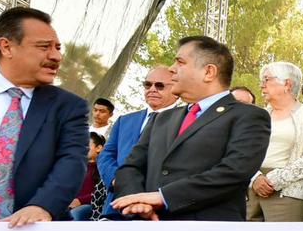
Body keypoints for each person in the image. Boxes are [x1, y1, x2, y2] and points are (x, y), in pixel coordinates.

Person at [0, 7, 87, 226]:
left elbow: (72, 162)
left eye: (58, 48)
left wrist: (42, 206)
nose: (56, 56)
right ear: (7, 47)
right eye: (44, 47)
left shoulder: (69, 107)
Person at [111, 36, 271, 221]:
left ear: (209, 72)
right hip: (150, 228)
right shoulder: (161, 118)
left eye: (180, 62)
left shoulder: (248, 116)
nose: (171, 68)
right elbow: (131, 166)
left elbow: (234, 171)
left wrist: (164, 197)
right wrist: (137, 202)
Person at [248, 61, 303, 222]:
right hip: (253, 188)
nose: (261, 85)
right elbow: (245, 151)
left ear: (287, 84)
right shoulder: (259, 115)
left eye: (267, 79)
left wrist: (274, 180)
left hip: (289, 193)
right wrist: (255, 178)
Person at [98, 66, 181, 207]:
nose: (152, 89)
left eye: (160, 86)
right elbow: (106, 155)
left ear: (176, 90)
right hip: (117, 203)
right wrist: (117, 179)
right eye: (148, 84)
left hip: (157, 207)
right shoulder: (124, 120)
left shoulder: (185, 120)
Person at [69, 132, 107, 221]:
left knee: (74, 214)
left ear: (98, 148)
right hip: (70, 205)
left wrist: (80, 201)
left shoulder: (103, 168)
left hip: (91, 207)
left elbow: (103, 193)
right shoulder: (75, 167)